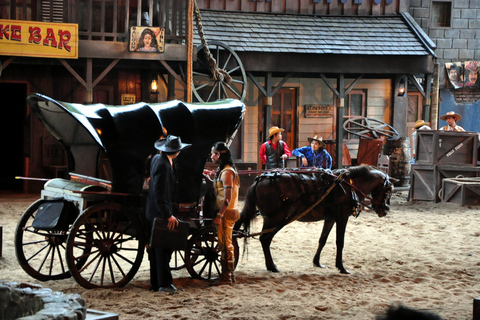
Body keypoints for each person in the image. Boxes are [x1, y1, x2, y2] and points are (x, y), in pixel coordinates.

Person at [146, 134, 191, 293]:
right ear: (177, 151)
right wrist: (167, 215)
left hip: (154, 211)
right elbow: (159, 193)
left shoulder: (158, 160)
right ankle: (164, 284)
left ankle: (156, 283)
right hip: (160, 212)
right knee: (163, 249)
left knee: (157, 249)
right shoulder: (163, 165)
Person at [203, 142, 240, 286]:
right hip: (226, 212)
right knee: (225, 243)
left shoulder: (227, 172)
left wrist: (219, 215)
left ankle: (227, 277)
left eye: (214, 153)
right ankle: (228, 275)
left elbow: (227, 198)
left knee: (225, 244)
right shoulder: (225, 170)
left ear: (220, 155)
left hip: (226, 213)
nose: (212, 156)